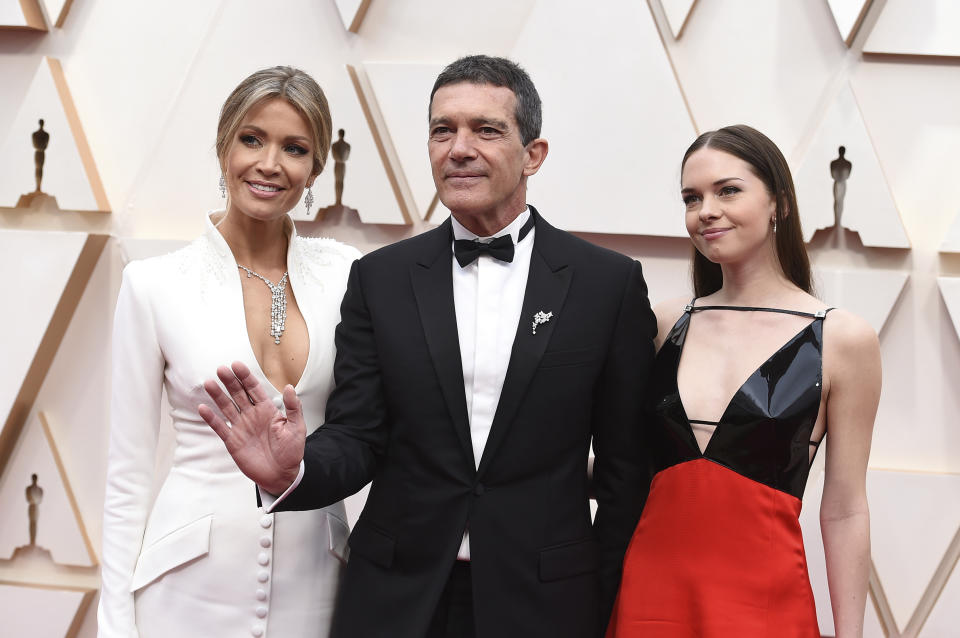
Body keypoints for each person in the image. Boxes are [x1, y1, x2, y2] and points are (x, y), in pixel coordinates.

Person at [199, 55, 657, 638]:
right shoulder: (380, 279)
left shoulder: (606, 285)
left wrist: (607, 603)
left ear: (533, 154)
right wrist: (295, 469)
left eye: (486, 130)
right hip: (395, 600)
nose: (458, 148)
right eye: (443, 130)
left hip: (547, 604)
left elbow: (625, 473)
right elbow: (359, 434)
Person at [98, 66, 360, 638]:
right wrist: (115, 622)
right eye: (251, 139)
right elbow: (128, 474)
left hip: (317, 580)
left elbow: (368, 428)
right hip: (185, 586)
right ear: (223, 148)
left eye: (294, 148)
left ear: (315, 169)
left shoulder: (348, 275)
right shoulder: (154, 285)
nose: (269, 163)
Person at [606, 125, 880, 637]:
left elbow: (844, 509)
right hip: (650, 598)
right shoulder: (663, 323)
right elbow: (624, 467)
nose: (705, 210)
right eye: (692, 197)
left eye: (727, 190)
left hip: (764, 608)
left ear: (778, 202)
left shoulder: (843, 339)